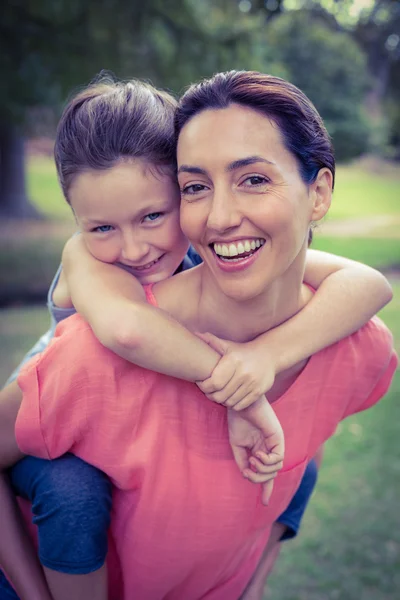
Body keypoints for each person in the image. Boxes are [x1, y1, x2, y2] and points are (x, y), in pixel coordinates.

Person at [0, 73, 395, 600]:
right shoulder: (92, 272)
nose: (135, 249)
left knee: (297, 465)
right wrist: (237, 388)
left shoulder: (214, 246)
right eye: (101, 228)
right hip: (46, 424)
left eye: (155, 214)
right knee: (74, 493)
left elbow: (366, 284)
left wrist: (267, 356)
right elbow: (125, 329)